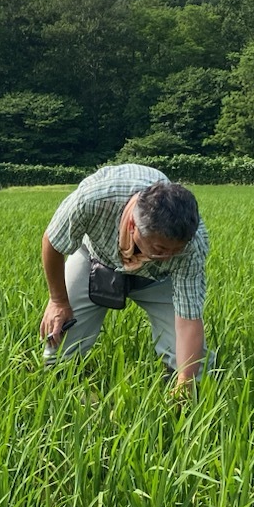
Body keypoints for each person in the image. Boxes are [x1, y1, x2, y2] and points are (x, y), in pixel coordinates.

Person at [39, 164, 208, 389]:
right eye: (161, 249)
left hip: (157, 277)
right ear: (132, 226)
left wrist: (185, 383)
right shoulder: (93, 200)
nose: (169, 257)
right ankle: (65, 388)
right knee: (58, 350)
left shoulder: (192, 244)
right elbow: (53, 241)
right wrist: (58, 301)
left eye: (175, 250)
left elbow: (189, 319)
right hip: (94, 255)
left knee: (193, 365)